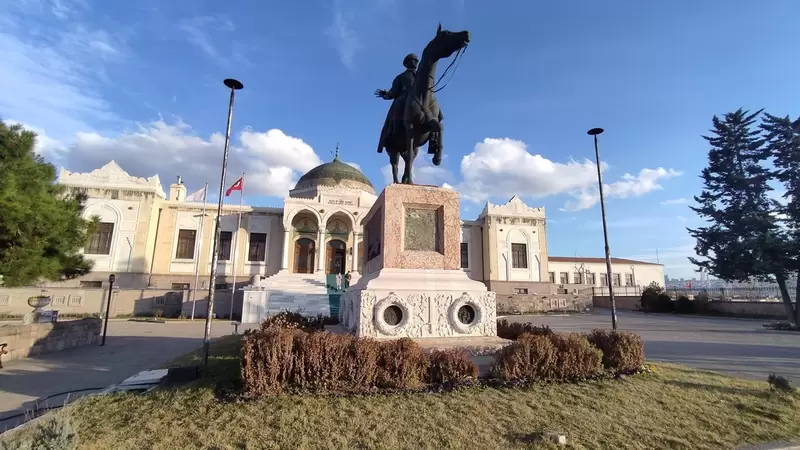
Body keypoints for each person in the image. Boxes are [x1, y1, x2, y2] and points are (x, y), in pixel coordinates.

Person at [375, 53, 418, 153]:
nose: (415, 62)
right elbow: (394, 92)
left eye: (416, 60)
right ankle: (391, 131)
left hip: (419, 98)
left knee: (436, 110)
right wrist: (386, 94)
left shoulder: (422, 75)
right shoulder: (400, 77)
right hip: (404, 97)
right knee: (398, 105)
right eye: (413, 60)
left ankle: (434, 137)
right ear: (407, 63)